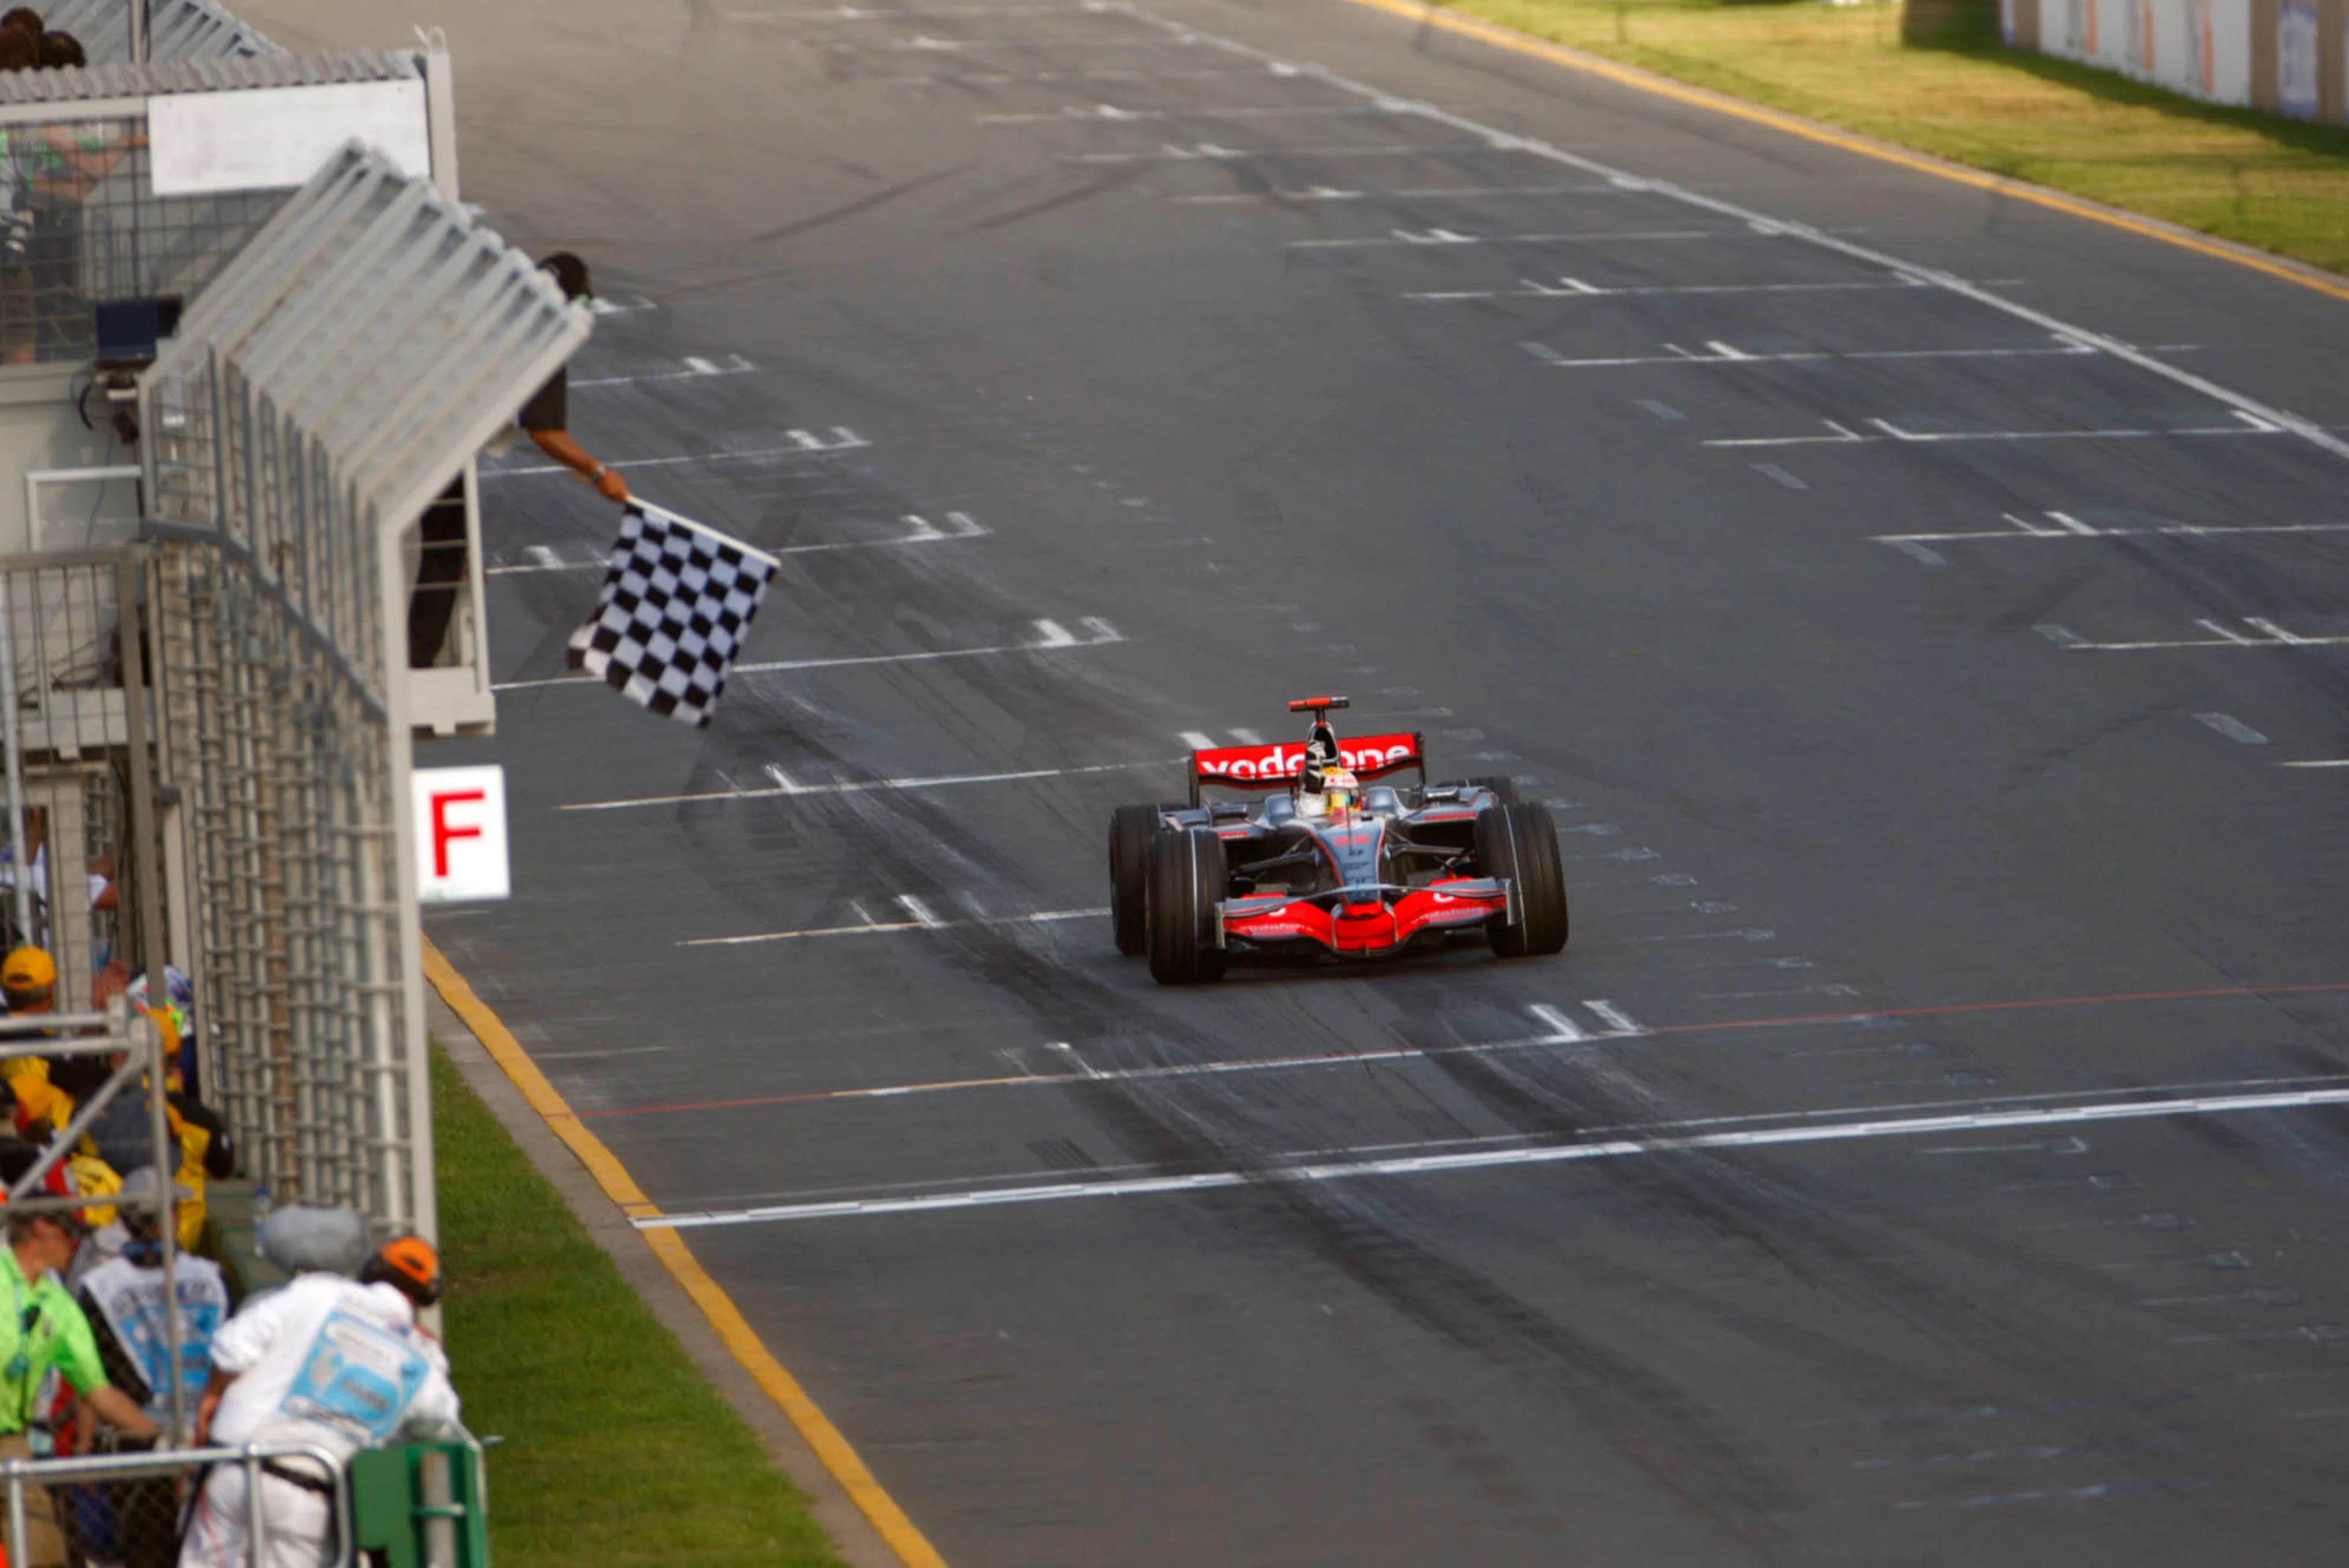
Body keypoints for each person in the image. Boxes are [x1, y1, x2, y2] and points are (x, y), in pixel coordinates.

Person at [180, 1238, 458, 1568]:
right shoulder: (424, 1357)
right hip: (313, 1499)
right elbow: (441, 1421)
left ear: (374, 1267)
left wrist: (211, 1398)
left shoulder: (317, 1292)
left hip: (239, 1470)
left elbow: (233, 1348)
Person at [409, 250, 627, 667]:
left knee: (451, 548)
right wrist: (598, 473)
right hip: (437, 442)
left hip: (425, 424)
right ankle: (416, 661)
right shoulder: (544, 336)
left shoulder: (502, 313)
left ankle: (419, 652)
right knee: (445, 555)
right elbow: (546, 432)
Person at [75, 1168, 226, 1568]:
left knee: (146, 1547)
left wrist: (84, 1445)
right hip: (207, 1430)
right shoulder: (212, 1277)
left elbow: (91, 1372)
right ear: (171, 1216)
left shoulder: (100, 1284)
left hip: (134, 1434)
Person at [0, 1207, 161, 1567]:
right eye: (69, 1234)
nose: (76, 1245)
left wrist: (160, 1437)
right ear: (42, 1228)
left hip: (10, 1441)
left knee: (42, 1548)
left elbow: (98, 1392)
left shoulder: (58, 1305)